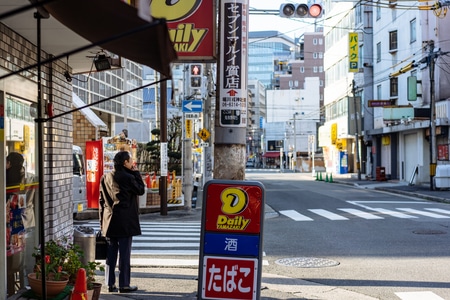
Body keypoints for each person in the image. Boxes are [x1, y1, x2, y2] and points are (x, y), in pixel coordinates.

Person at [98, 151, 145, 293]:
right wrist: (136, 173)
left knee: (110, 253)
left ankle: (110, 283)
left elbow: (101, 201)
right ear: (125, 162)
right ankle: (124, 284)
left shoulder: (105, 177)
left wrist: (102, 222)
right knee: (124, 254)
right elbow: (141, 190)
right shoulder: (128, 177)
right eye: (131, 161)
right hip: (125, 221)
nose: (133, 163)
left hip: (109, 220)